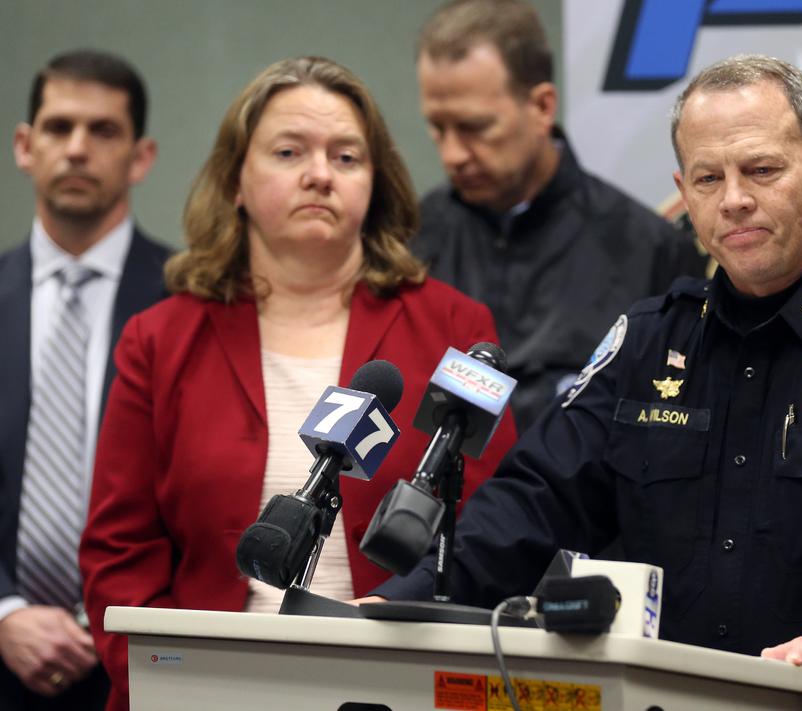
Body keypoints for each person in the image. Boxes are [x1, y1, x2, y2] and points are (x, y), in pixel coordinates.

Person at [373, 55, 802, 711]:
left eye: (761, 169)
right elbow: (531, 502)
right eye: (709, 177)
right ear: (685, 189)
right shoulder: (648, 340)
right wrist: (399, 606)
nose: (733, 197)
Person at [77, 56, 516, 711]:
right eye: (289, 151)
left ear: (375, 181)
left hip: (399, 687)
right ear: (235, 180)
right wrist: (168, 684)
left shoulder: (456, 327)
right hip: (201, 690)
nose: (319, 174)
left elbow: (495, 524)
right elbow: (119, 552)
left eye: (346, 157)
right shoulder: (159, 339)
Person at [412, 0, 706, 430]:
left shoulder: (652, 252)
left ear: (543, 106)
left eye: (474, 127)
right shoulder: (409, 243)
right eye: (438, 128)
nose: (452, 153)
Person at [0, 49, 168, 710]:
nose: (76, 148)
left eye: (102, 131)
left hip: (143, 655)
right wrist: (5, 611)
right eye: (58, 127)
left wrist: (119, 613)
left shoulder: (191, 304)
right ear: (24, 144)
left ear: (141, 156)